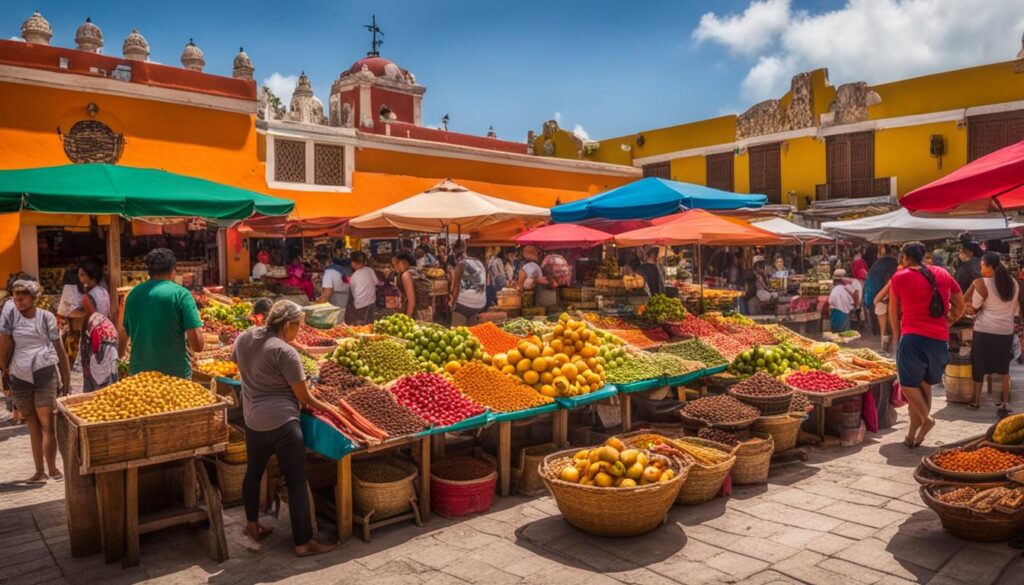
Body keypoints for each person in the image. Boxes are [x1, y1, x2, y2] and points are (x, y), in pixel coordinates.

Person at [233, 301, 340, 557]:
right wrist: (333, 410)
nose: (300, 332)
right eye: (299, 326)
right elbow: (305, 399)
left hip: (253, 421)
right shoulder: (285, 352)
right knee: (296, 482)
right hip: (283, 423)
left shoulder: (245, 337)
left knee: (254, 472)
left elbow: (239, 365)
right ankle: (303, 543)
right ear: (289, 324)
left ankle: (253, 526)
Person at [889, 241, 965, 448]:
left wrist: (896, 336)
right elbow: (960, 305)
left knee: (907, 384)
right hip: (939, 340)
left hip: (912, 338)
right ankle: (913, 435)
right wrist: (947, 322)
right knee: (924, 386)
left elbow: (893, 312)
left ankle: (926, 419)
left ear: (905, 257)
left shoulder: (899, 277)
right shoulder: (942, 273)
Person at [0, 280, 71, 484]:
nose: (19, 299)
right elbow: (5, 346)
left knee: (46, 423)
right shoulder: (10, 317)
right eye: (16, 295)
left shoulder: (46, 317)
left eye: (23, 294)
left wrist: (66, 380)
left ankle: (53, 468)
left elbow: (60, 349)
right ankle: (40, 471)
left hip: (44, 374)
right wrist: (5, 375)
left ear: (34, 297)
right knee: (31, 423)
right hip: (19, 376)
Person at [120, 248, 205, 379]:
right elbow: (198, 346)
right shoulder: (181, 295)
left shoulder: (131, 295)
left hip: (138, 376)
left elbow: (122, 341)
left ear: (148, 271)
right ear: (173, 270)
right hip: (175, 376)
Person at [965, 252, 1019, 411]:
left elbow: (974, 306)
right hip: (1006, 330)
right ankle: (1005, 402)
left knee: (979, 365)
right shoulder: (1013, 283)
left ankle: (975, 401)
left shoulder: (981, 283)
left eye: (982, 265)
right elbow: (1014, 308)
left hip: (985, 329)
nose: (981, 268)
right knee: (1004, 368)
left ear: (990, 267)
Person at [80, 291, 118, 392]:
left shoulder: (94, 321)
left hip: (103, 356)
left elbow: (96, 345)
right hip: (111, 355)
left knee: (100, 387)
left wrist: (93, 358)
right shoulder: (102, 319)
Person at [864, 246, 900, 347]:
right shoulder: (891, 264)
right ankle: (887, 343)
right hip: (876, 296)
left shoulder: (880, 263)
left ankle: (884, 343)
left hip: (871, 296)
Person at [450, 244, 487, 326]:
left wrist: (452, 304)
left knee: (456, 332)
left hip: (464, 305)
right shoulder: (481, 264)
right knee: (472, 332)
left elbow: (456, 289)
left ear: (465, 252)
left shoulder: (462, 264)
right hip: (480, 305)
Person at [393, 250, 433, 321]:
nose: (395, 267)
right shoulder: (417, 271)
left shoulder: (406, 275)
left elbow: (411, 301)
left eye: (397, 263)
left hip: (417, 314)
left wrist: (407, 319)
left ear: (404, 262)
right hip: (426, 311)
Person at [318, 252, 351, 324]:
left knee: (339, 323)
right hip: (348, 298)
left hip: (338, 301)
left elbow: (327, 293)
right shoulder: (340, 269)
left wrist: (317, 306)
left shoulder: (328, 272)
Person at [347, 251, 379, 325]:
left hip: (360, 305)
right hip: (371, 302)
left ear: (353, 263)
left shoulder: (353, 277)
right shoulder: (370, 270)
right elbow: (376, 282)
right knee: (370, 323)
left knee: (360, 325)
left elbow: (353, 292)